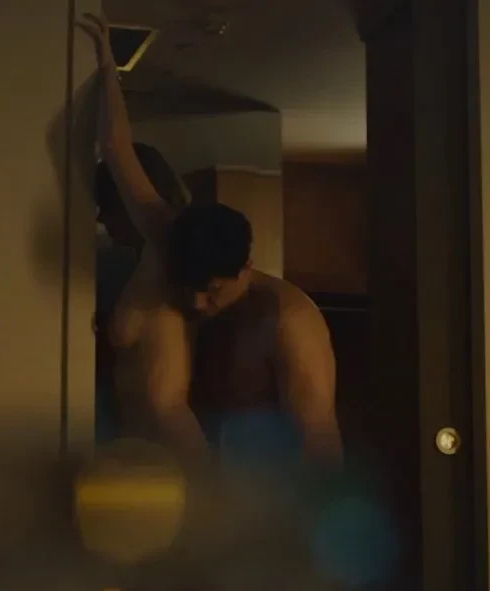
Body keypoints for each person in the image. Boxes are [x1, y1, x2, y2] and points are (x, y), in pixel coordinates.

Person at [77, 13, 343, 468]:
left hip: (208, 474)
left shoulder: (290, 318)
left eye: (213, 289)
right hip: (142, 458)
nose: (198, 303)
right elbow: (118, 150)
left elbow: (319, 439)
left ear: (246, 267)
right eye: (191, 287)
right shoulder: (166, 234)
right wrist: (106, 64)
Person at [94, 143, 191, 443]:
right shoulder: (127, 266)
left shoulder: (169, 247)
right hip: (135, 440)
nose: (100, 218)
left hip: (169, 441)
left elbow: (117, 147)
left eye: (107, 206)